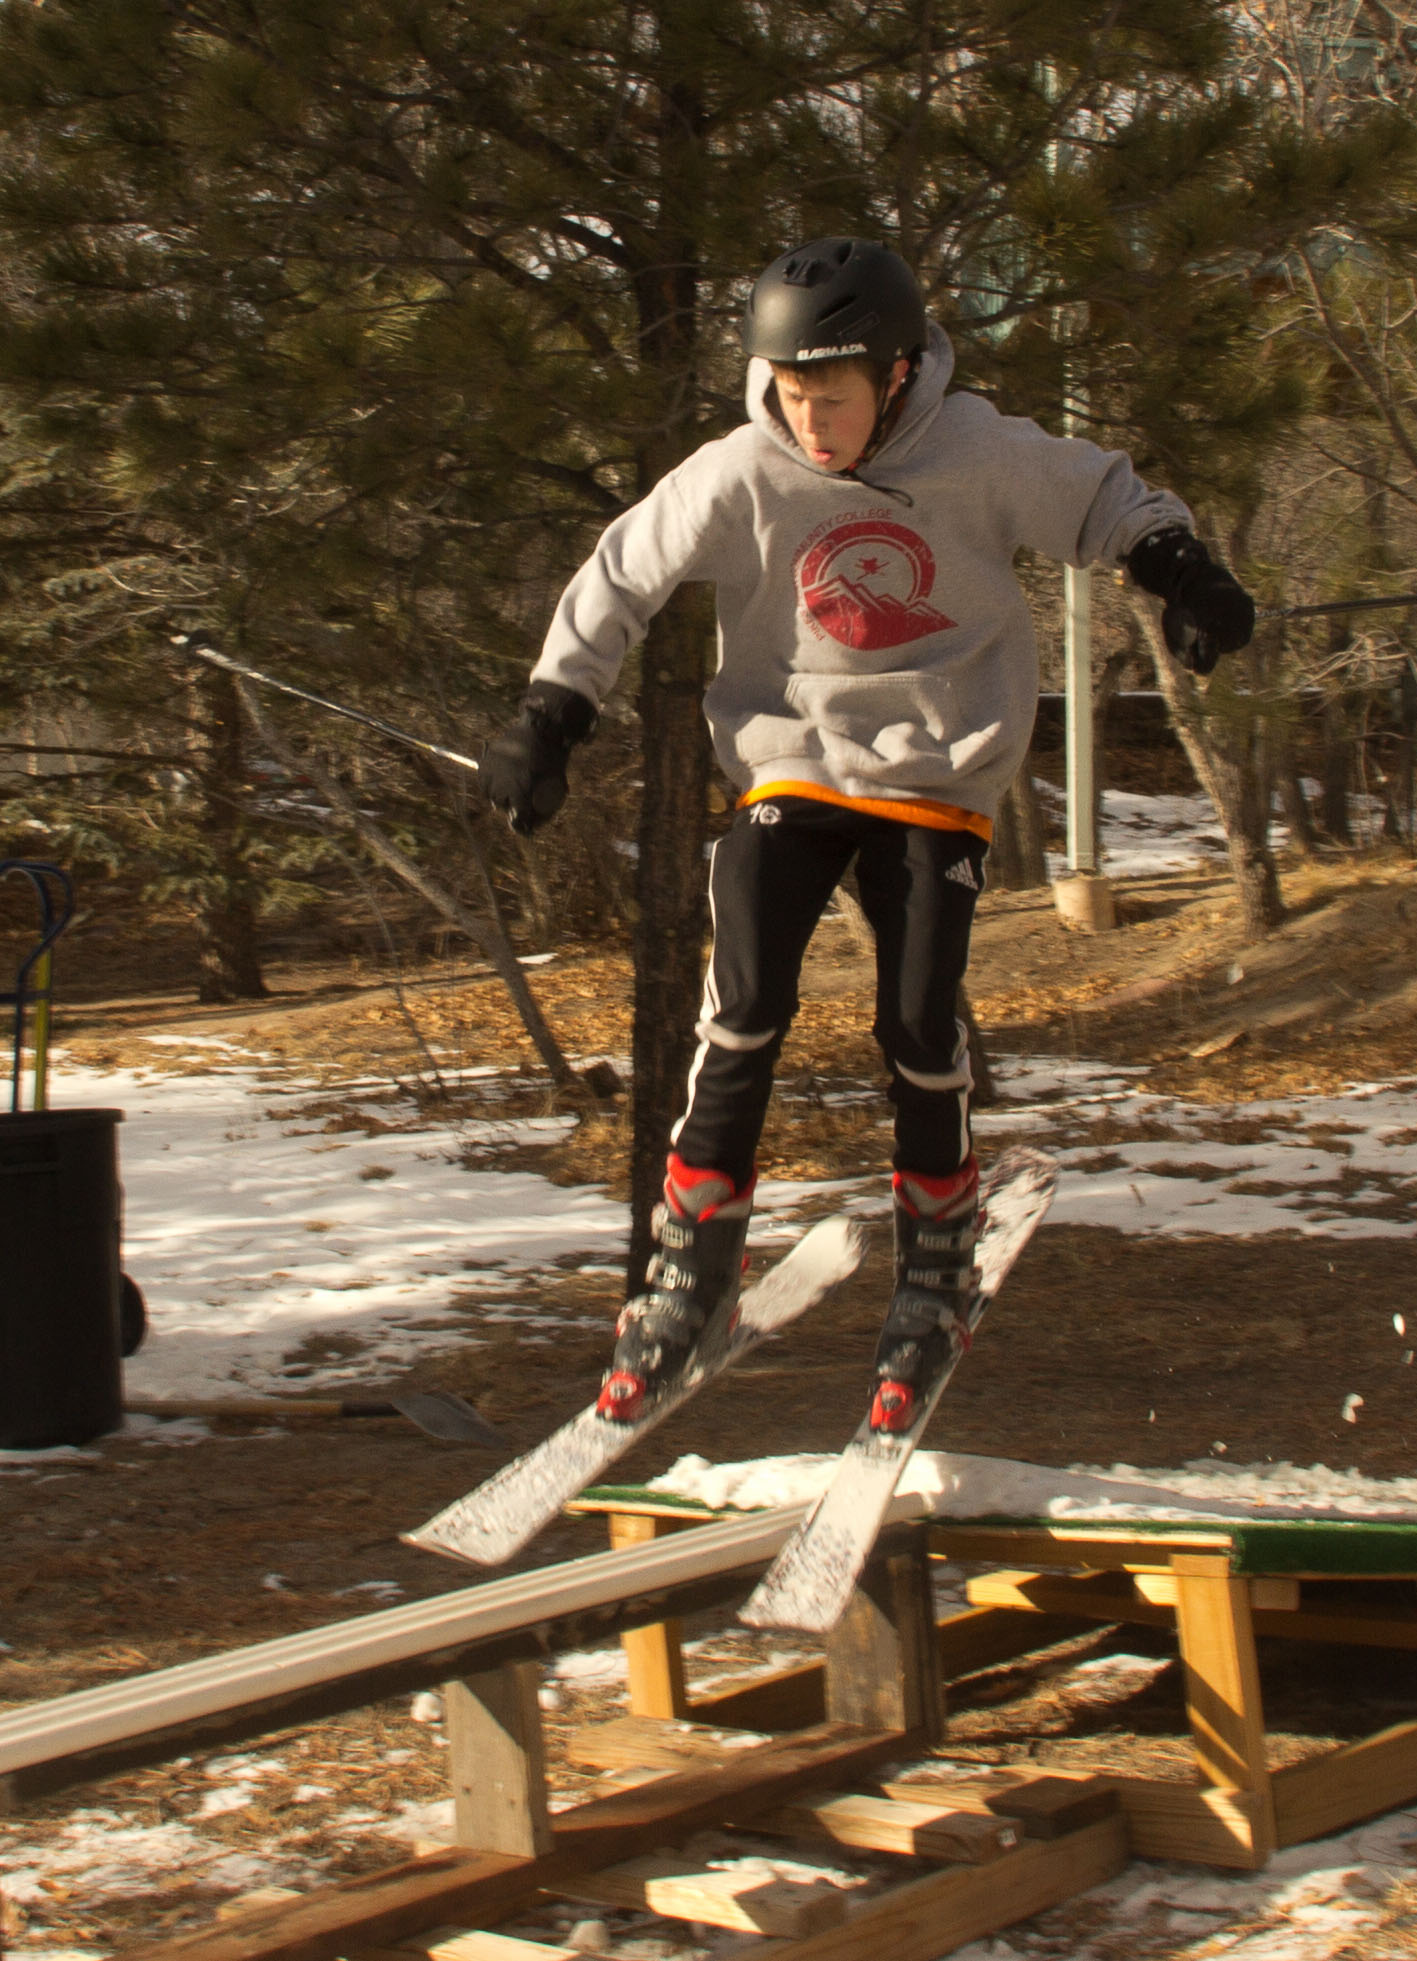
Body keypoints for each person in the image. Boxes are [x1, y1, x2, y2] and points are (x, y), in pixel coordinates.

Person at [478, 237, 1254, 1429]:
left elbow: (1102, 496)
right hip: (791, 755)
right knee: (741, 1002)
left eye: (829, 395)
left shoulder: (981, 450)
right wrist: (552, 710)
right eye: (789, 392)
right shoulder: (744, 466)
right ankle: (689, 1264)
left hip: (936, 769)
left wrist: (1184, 572)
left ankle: (936, 1253)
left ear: (894, 375)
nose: (809, 421)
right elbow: (621, 570)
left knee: (916, 1016)